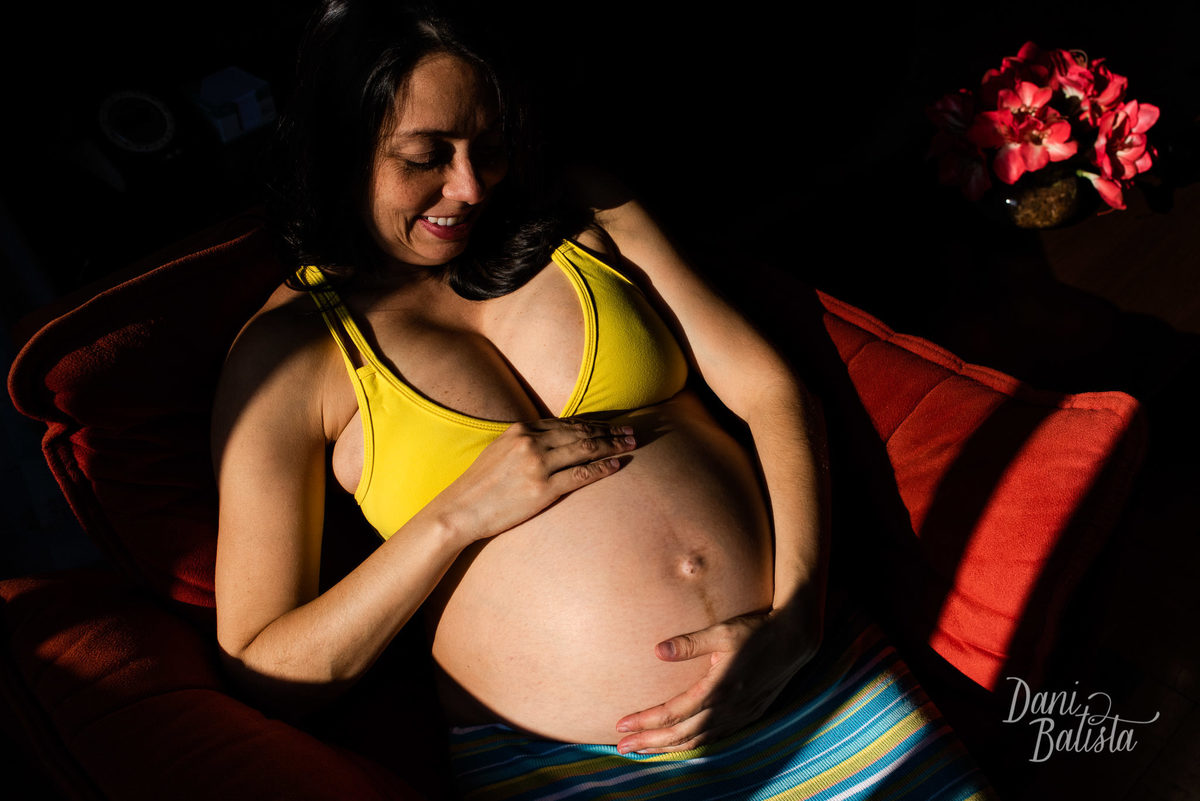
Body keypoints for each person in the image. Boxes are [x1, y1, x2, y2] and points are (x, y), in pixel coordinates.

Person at [211, 1, 993, 798]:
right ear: (339, 147)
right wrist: (455, 515)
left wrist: (798, 616)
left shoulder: (579, 210)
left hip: (803, 672)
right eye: (424, 157)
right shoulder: (288, 359)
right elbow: (264, 667)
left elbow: (770, 390)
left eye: (490, 145)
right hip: (581, 768)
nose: (471, 186)